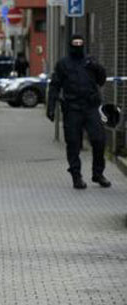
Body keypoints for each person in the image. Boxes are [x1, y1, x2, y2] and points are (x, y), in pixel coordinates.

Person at [46, 34, 111, 190]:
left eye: (80, 43)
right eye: (74, 43)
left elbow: (101, 80)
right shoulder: (63, 64)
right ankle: (76, 176)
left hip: (91, 107)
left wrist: (97, 67)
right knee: (73, 143)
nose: (77, 46)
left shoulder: (90, 62)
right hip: (72, 108)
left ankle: (98, 173)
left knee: (99, 140)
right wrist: (51, 106)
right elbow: (55, 85)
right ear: (70, 45)